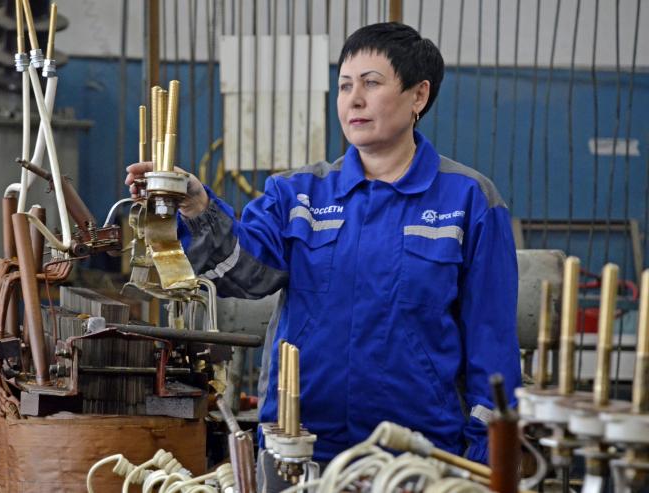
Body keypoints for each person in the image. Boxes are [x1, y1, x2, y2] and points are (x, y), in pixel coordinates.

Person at [127, 22, 521, 490]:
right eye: (345, 86)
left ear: (419, 95)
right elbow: (246, 275)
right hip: (301, 445)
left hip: (420, 452)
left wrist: (486, 454)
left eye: (371, 83)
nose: (354, 100)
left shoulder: (469, 200)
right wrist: (198, 207)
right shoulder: (298, 195)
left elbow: (492, 341)